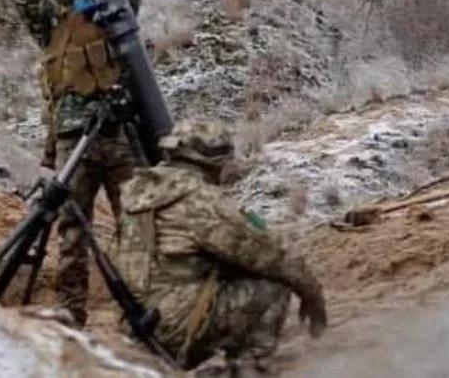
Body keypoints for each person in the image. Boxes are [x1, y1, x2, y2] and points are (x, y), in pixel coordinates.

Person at [11, 0, 145, 328]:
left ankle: (141, 307)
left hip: (120, 138)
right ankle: (72, 311)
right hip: (73, 143)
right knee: (72, 231)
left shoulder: (114, 11)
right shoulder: (50, 25)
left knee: (138, 228)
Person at [113, 120, 327, 373]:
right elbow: (268, 255)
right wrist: (312, 293)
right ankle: (249, 368)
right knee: (273, 287)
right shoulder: (198, 200)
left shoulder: (140, 193)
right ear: (212, 162)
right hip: (175, 327)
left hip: (136, 324)